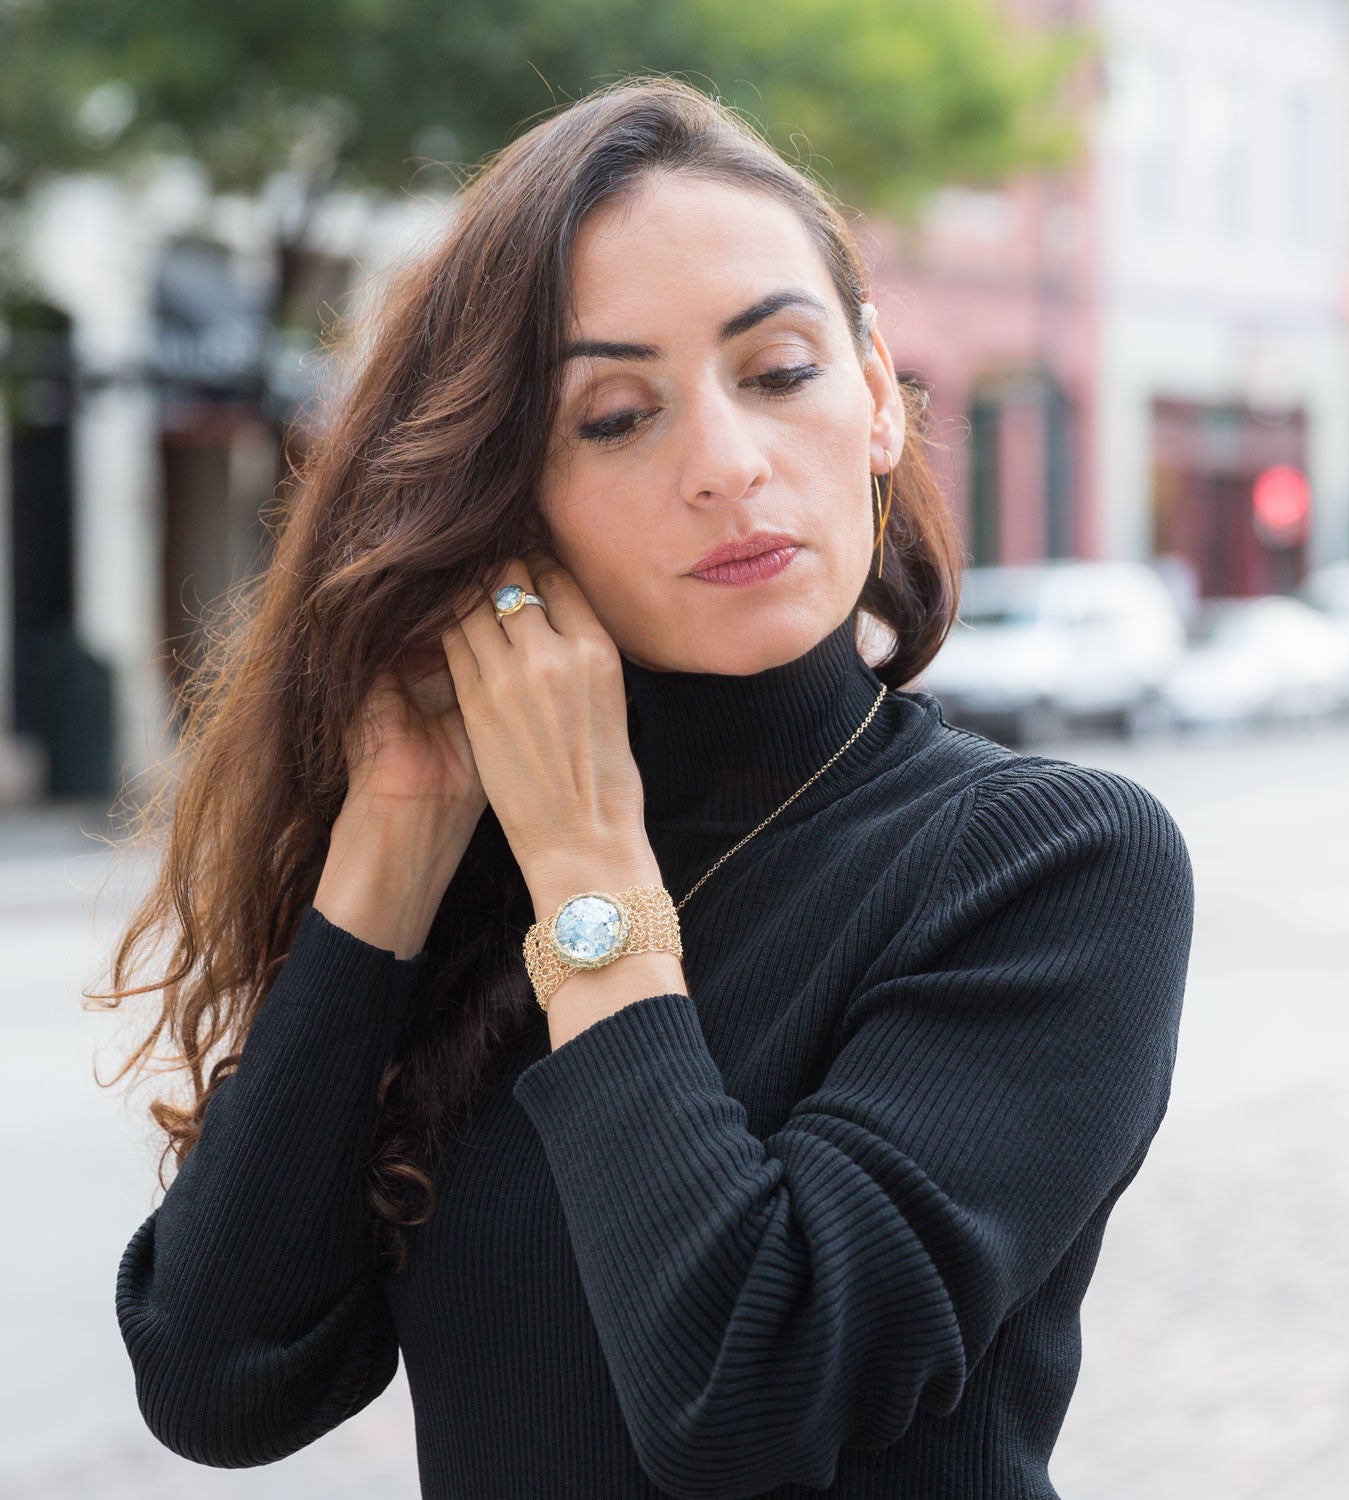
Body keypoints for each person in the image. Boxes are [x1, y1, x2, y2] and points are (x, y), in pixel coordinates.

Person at [102, 75, 1194, 1499]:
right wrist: (397, 836)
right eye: (616, 416)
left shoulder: (1046, 863)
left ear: (874, 395)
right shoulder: (472, 869)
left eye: (781, 370)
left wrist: (592, 883)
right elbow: (219, 1382)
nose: (728, 467)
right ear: (511, 491)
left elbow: (744, 1393)